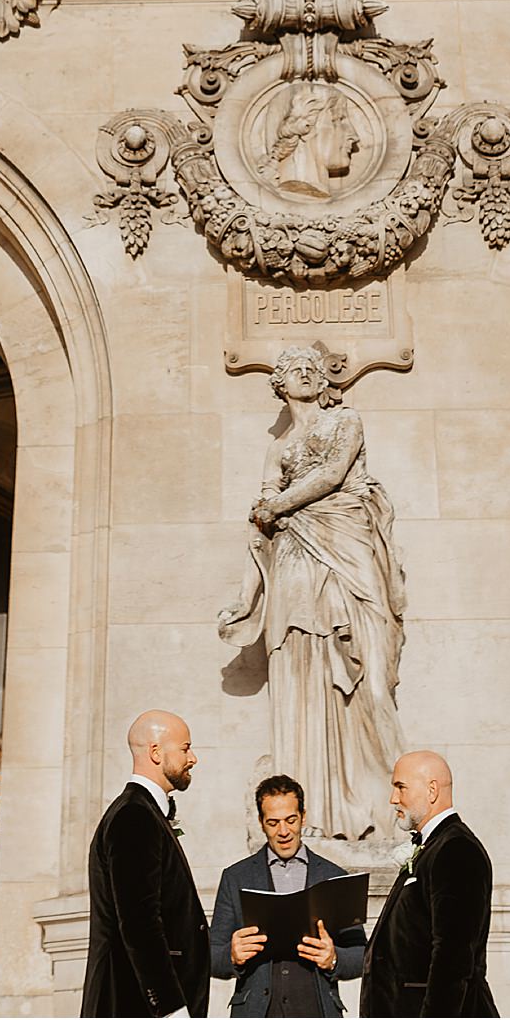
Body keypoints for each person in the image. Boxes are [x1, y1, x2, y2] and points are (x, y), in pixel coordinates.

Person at [218, 346, 406, 841]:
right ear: (280, 384)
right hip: (295, 557)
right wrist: (246, 596)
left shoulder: (346, 420)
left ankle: (372, 794)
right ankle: (311, 804)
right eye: (294, 370)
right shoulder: (277, 447)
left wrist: (277, 504)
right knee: (302, 659)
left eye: (312, 369)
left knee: (369, 666)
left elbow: (332, 474)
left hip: (345, 543)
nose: (305, 374)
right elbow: (258, 526)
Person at [82, 710, 210, 1019]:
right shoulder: (134, 817)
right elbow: (139, 922)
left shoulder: (143, 812)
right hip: (134, 1005)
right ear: (155, 752)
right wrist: (169, 1007)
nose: (192, 758)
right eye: (185, 747)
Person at [209, 773, 366, 1017]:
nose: (284, 831)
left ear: (303, 817)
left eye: (291, 820)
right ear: (261, 822)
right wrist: (232, 954)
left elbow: (363, 955)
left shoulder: (335, 876)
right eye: (273, 823)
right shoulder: (235, 877)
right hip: (255, 1013)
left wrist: (334, 958)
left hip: (317, 1010)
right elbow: (210, 955)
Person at [360, 751, 497, 1018]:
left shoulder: (456, 849)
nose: (393, 799)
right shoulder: (432, 847)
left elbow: (452, 958)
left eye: (401, 787)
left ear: (432, 790)